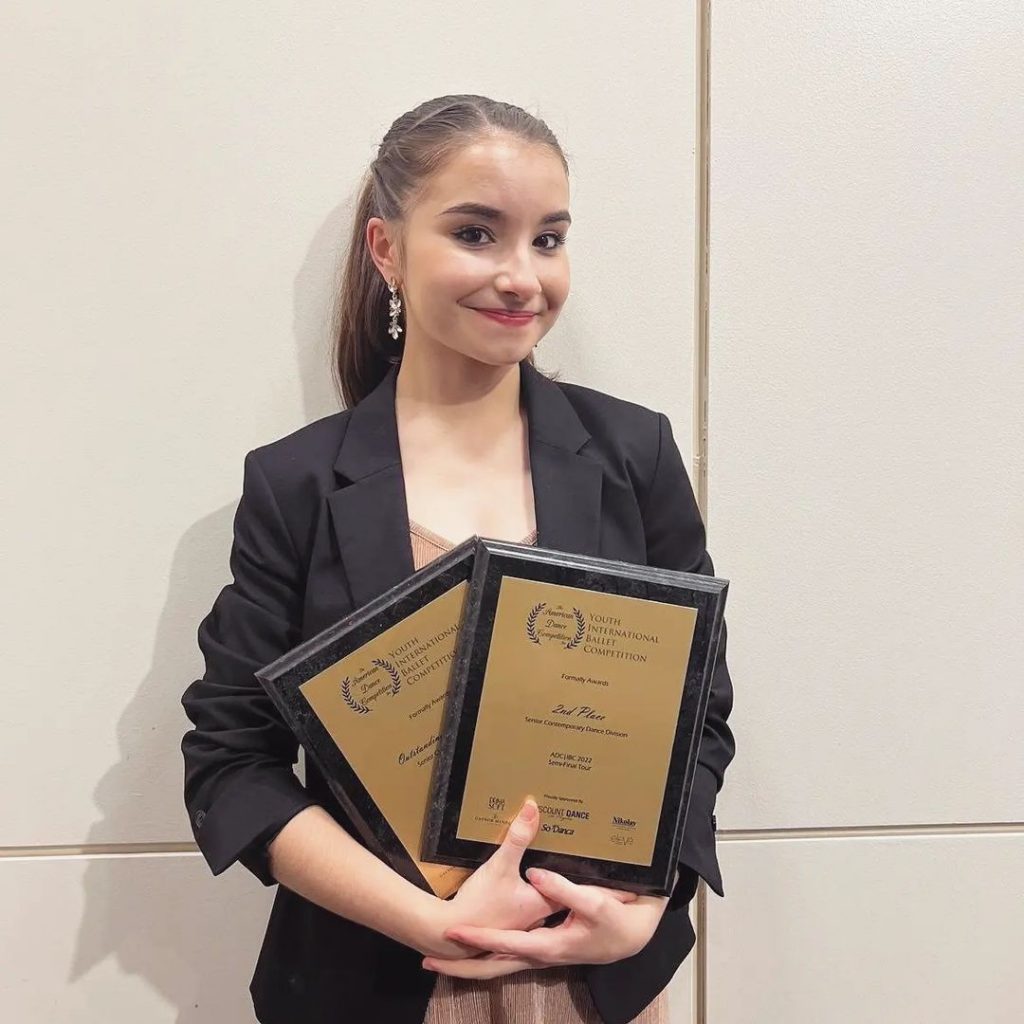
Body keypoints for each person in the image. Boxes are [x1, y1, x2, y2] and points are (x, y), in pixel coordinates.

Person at [180, 94, 735, 1024]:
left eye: (548, 240)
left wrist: (644, 905)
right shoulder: (297, 484)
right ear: (386, 250)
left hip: (596, 986)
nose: (522, 276)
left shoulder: (633, 456)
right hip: (376, 980)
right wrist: (429, 921)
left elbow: (696, 713)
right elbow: (232, 761)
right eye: (476, 234)